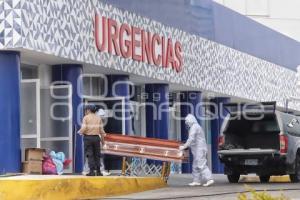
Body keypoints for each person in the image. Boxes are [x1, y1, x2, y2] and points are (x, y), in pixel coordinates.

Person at [179, 114, 214, 187]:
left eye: (187, 122)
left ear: (190, 121)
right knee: (195, 165)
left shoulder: (194, 127)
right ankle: (196, 181)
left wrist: (184, 146)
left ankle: (209, 179)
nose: (187, 124)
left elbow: (191, 139)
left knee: (201, 164)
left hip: (200, 149)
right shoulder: (194, 127)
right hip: (197, 150)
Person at [79, 105, 106, 176]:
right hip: (97, 138)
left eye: (86, 110)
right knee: (97, 155)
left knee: (90, 154)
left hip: (88, 138)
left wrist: (80, 132)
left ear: (88, 110)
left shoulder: (86, 118)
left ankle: (91, 171)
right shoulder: (98, 118)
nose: (85, 111)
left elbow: (84, 127)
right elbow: (101, 130)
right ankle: (99, 171)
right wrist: (103, 143)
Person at [82, 108, 111, 176]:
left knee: (91, 156)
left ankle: (88, 170)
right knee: (95, 156)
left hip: (92, 140)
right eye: (102, 117)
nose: (103, 119)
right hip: (95, 140)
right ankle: (97, 170)